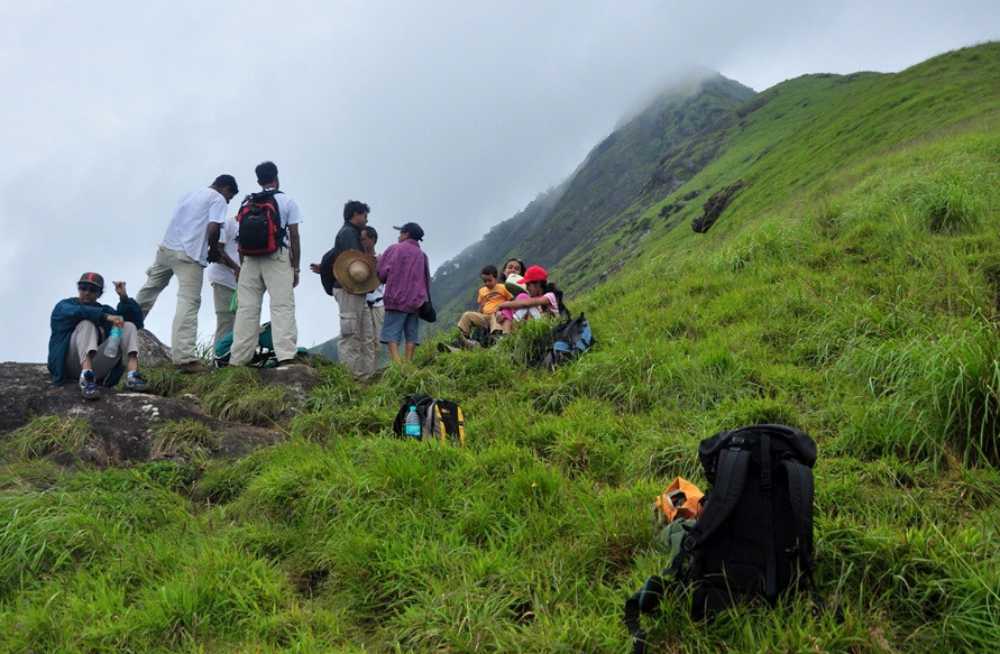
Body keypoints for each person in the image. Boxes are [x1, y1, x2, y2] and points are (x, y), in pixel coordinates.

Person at [135, 174, 238, 372]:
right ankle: (184, 358)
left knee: (151, 288)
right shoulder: (217, 199)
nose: (227, 201)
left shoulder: (190, 193)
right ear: (225, 188)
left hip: (166, 249)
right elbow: (214, 227)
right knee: (188, 301)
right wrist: (214, 248)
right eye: (229, 196)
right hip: (189, 255)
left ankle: (126, 325)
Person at [228, 161, 302, 367]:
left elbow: (239, 238)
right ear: (276, 178)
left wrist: (243, 266)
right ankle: (286, 355)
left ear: (259, 181)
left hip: (250, 260)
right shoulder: (287, 201)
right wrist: (295, 267)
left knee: (247, 309)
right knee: (282, 305)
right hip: (276, 257)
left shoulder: (246, 203)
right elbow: (294, 236)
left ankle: (239, 358)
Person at [48, 273, 148, 399]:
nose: (87, 292)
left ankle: (133, 375)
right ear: (78, 289)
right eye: (83, 288)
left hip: (98, 366)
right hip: (68, 365)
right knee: (86, 324)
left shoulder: (104, 309)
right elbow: (80, 312)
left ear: (99, 294)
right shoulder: (64, 306)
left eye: (93, 290)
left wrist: (124, 298)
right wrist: (105, 316)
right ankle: (86, 378)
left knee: (127, 326)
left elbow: (137, 322)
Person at [310, 200, 370, 378]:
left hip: (351, 290)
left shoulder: (348, 233)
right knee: (351, 334)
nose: (366, 220)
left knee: (359, 333)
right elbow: (353, 263)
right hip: (348, 289)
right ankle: (354, 376)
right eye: (364, 215)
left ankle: (362, 374)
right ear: (355, 214)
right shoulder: (349, 234)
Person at [377, 222, 429, 363]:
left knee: (392, 333)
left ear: (406, 234)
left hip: (397, 298)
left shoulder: (395, 249)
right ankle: (408, 363)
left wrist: (379, 261)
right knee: (411, 334)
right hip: (416, 301)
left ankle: (398, 365)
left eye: (401, 233)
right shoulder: (422, 255)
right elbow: (425, 279)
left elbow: (382, 275)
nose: (399, 236)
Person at [205, 215, 240, 351]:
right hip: (223, 279)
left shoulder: (253, 228)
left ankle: (233, 356)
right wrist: (236, 268)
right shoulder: (229, 223)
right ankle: (219, 357)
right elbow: (215, 252)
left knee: (240, 322)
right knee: (226, 320)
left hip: (239, 282)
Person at [456, 265, 513, 343]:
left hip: (497, 315)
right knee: (467, 315)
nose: (487, 283)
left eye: (489, 280)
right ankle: (464, 336)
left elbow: (511, 301)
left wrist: (504, 312)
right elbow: (482, 305)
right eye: (484, 281)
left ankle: (497, 338)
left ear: (495, 278)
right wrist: (477, 315)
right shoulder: (482, 291)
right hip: (485, 317)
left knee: (494, 318)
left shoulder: (503, 288)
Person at [497, 264, 563, 326]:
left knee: (527, 306)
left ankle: (512, 331)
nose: (527, 288)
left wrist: (503, 304)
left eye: (528, 285)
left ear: (538, 284)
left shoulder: (550, 296)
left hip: (554, 327)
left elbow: (525, 304)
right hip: (542, 326)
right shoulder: (536, 298)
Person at [360, 226, 385, 377]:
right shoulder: (358, 259)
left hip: (378, 303)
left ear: (372, 239)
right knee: (364, 339)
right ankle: (367, 372)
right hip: (364, 303)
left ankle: (372, 371)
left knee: (377, 340)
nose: (362, 241)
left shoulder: (381, 258)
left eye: (364, 238)